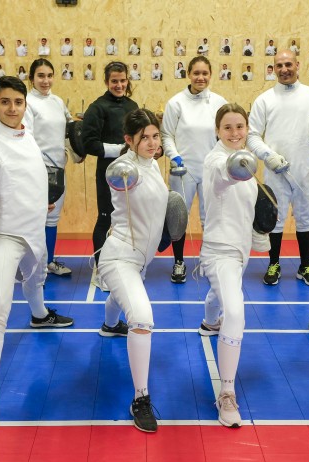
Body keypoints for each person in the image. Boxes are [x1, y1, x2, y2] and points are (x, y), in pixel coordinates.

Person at [0, 76, 74, 432]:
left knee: (37, 278)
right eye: (5, 103)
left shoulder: (26, 132)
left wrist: (42, 196)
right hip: (3, 236)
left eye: (17, 102)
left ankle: (39, 315)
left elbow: (30, 171)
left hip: (34, 230)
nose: (12, 108)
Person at [247, 49, 309, 287]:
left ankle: (305, 266)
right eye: (279, 65)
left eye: (288, 64)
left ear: (297, 65)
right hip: (276, 171)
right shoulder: (264, 100)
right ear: (273, 68)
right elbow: (252, 136)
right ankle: (274, 264)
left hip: (304, 169)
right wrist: (269, 156)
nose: (284, 69)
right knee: (276, 219)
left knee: (305, 219)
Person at [98, 108, 168, 432]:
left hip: (140, 260)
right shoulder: (126, 168)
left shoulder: (152, 163)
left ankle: (110, 325)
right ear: (128, 140)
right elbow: (120, 173)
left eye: (156, 136)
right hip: (120, 258)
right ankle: (140, 397)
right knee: (141, 318)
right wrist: (121, 171)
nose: (152, 142)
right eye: (145, 138)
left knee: (118, 297)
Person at [199, 103, 257, 428]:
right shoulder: (217, 160)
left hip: (240, 249)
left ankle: (209, 323)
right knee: (235, 311)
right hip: (220, 250)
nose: (235, 133)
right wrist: (238, 167)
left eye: (240, 126)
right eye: (228, 128)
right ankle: (227, 393)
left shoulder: (246, 155)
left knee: (220, 294)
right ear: (218, 131)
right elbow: (225, 174)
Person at [162, 56, 228, 283]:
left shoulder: (220, 102)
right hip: (183, 170)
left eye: (205, 73)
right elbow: (166, 135)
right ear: (188, 74)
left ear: (210, 75)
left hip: (211, 170)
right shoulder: (176, 103)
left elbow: (225, 134)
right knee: (178, 217)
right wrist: (175, 156)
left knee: (210, 218)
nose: (201, 77)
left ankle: (208, 260)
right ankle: (179, 262)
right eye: (196, 73)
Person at [81, 62, 139, 289]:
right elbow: (89, 143)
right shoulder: (97, 107)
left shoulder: (132, 105)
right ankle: (101, 270)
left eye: (122, 80)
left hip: (131, 172)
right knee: (106, 218)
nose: (119, 85)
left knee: (128, 219)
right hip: (108, 172)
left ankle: (126, 265)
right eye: (114, 81)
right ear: (107, 82)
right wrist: (119, 149)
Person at [24, 59, 75, 277]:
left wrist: (74, 149)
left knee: (52, 219)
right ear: (32, 78)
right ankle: (35, 268)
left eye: (49, 75)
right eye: (41, 76)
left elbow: (70, 128)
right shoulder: (27, 102)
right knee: (37, 218)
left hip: (58, 168)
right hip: (38, 170)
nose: (46, 81)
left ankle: (50, 262)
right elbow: (25, 137)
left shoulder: (57, 101)